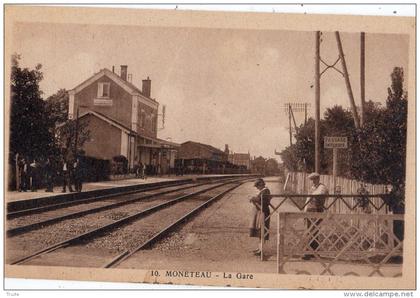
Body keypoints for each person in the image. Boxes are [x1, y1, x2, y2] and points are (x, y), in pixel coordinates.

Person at [302, 172, 328, 260]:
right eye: (312, 180)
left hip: (317, 210)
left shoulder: (322, 187)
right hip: (310, 210)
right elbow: (308, 200)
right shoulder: (313, 188)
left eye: (314, 179)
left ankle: (308, 252)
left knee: (313, 231)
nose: (313, 182)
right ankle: (313, 252)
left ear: (318, 179)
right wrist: (305, 210)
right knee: (311, 231)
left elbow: (318, 194)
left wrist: (312, 194)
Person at [249, 178, 272, 256]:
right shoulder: (262, 191)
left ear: (261, 184)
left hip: (263, 212)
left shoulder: (266, 190)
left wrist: (254, 199)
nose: (257, 188)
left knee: (263, 230)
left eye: (257, 186)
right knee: (259, 230)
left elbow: (264, 201)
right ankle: (259, 248)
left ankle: (262, 250)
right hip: (259, 212)